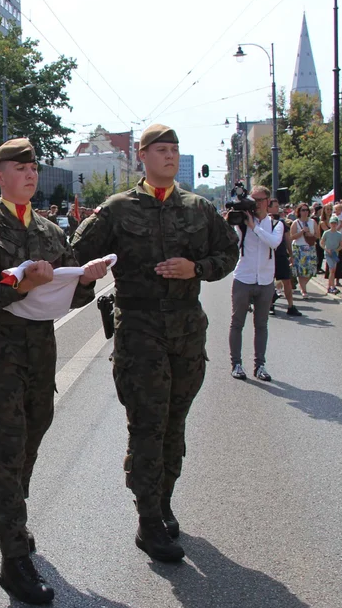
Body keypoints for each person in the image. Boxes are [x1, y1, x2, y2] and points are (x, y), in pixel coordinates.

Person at [72, 125, 238, 566]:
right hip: (140, 330)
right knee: (147, 425)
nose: (169, 156)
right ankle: (147, 520)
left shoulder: (199, 208)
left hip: (186, 330)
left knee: (174, 424)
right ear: (142, 157)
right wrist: (84, 275)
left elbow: (229, 254)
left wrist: (196, 267)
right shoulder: (117, 209)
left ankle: (163, 502)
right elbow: (78, 256)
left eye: (174, 150)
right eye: (161, 150)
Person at [0, 138, 107, 603]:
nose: (29, 174)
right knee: (8, 449)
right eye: (19, 167)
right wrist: (20, 285)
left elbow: (65, 297)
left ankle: (11, 510)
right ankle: (13, 556)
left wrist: (84, 280)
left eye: (33, 167)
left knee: (33, 439)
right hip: (1, 358)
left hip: (41, 353)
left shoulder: (49, 231)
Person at [224, 185, 282, 381]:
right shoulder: (242, 223)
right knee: (237, 323)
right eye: (252, 200)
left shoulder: (276, 224)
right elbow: (232, 241)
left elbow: (274, 243)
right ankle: (236, 364)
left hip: (265, 281)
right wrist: (233, 222)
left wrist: (254, 227)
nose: (255, 204)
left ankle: (260, 365)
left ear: (268, 201)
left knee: (261, 325)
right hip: (244, 278)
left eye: (259, 200)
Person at [268, 198, 301, 317]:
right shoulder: (264, 222)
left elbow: (287, 238)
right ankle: (270, 305)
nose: (278, 209)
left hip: (281, 255)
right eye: (275, 206)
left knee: (286, 281)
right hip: (269, 256)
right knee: (269, 282)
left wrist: (291, 254)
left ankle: (291, 306)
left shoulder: (281, 222)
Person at [290, 203, 318, 300]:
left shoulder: (313, 222)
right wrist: (302, 231)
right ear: (299, 211)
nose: (305, 212)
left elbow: (318, 235)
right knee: (302, 271)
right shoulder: (296, 222)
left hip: (310, 248)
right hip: (299, 248)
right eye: (303, 210)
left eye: (306, 210)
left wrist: (311, 234)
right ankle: (304, 290)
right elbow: (292, 236)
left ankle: (302, 285)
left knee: (311, 270)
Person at [321, 216, 342, 294]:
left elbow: (341, 245)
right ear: (329, 224)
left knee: (333, 270)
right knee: (331, 269)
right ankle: (332, 286)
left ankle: (329, 286)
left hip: (335, 254)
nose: (333, 224)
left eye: (335, 223)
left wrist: (336, 250)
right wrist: (326, 249)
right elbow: (321, 243)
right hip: (328, 253)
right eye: (332, 223)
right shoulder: (326, 233)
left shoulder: (339, 234)